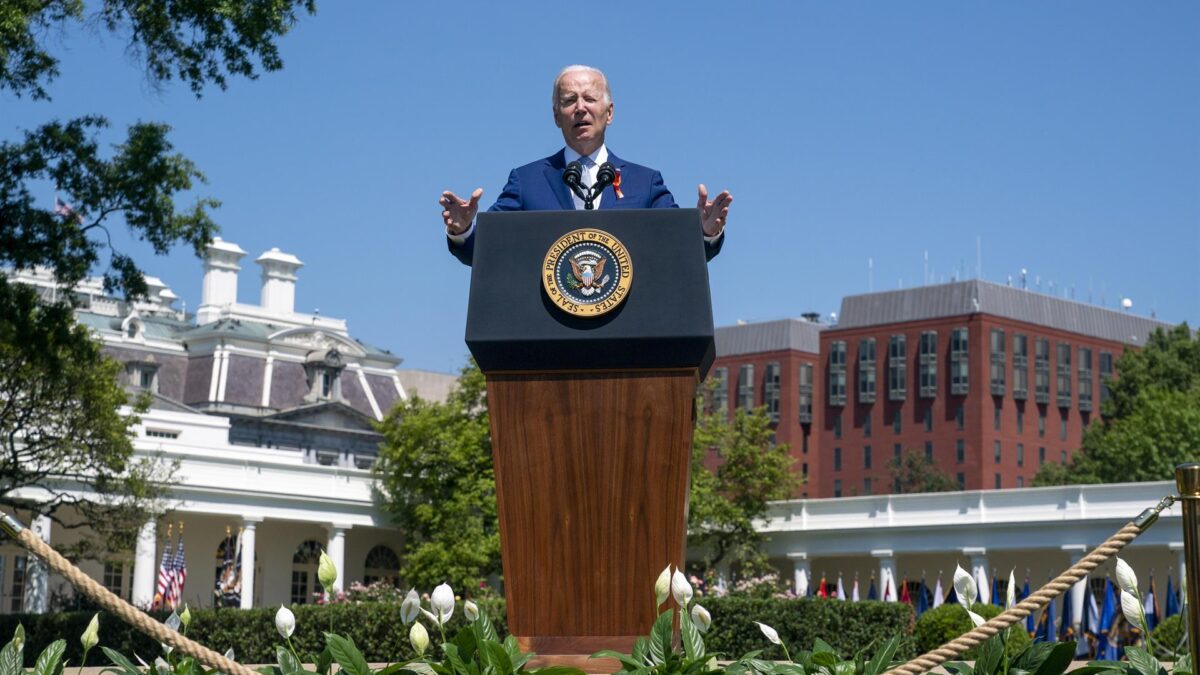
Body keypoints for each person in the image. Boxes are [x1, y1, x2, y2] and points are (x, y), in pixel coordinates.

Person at [440, 65, 732, 266]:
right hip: (548, 341)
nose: (580, 107)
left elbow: (678, 249)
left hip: (627, 342)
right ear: (557, 116)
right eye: (569, 100)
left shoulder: (646, 183)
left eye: (590, 98)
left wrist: (704, 233)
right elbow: (489, 251)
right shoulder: (526, 181)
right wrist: (464, 230)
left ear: (610, 113)